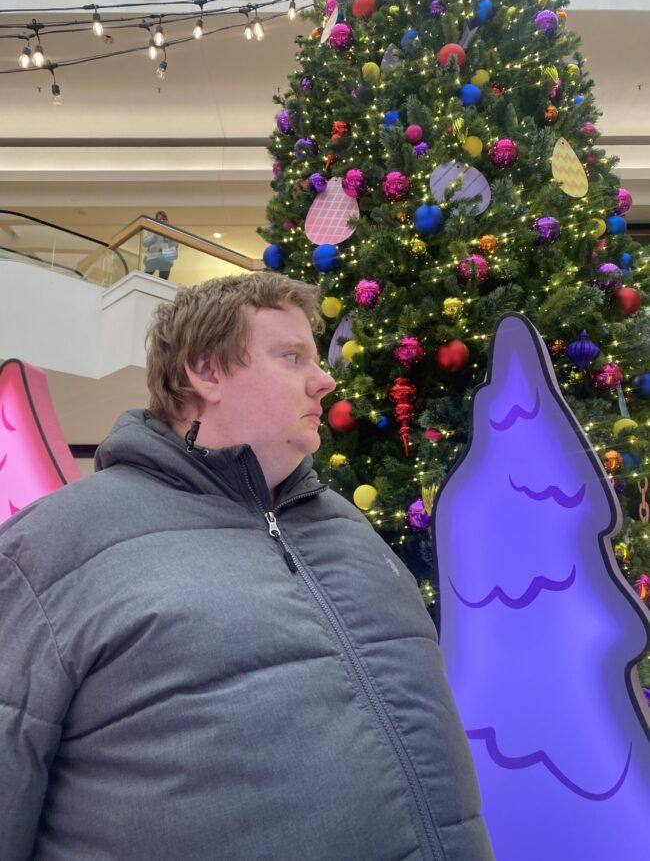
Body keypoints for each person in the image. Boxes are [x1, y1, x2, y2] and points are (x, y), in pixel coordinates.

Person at [0, 272, 494, 861]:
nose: (325, 380)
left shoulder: (349, 529)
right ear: (206, 371)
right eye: (292, 357)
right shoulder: (54, 545)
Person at [143, 209, 177, 280]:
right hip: (152, 258)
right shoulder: (150, 229)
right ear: (155, 220)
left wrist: (166, 235)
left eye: (163, 219)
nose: (161, 221)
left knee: (163, 281)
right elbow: (145, 243)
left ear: (166, 220)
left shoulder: (172, 231)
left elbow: (175, 246)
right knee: (146, 279)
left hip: (166, 259)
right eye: (159, 220)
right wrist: (155, 234)